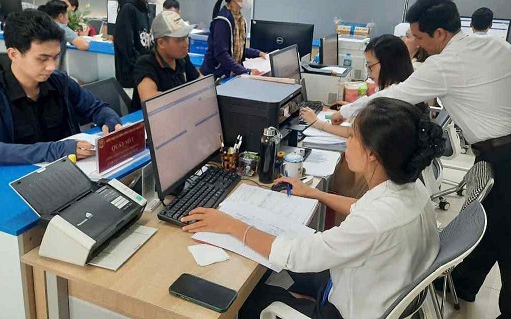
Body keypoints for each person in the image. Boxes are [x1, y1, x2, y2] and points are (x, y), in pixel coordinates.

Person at [333, 0, 511, 319]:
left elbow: (396, 95)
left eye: (419, 36)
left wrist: (346, 112)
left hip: (506, 155)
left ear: (440, 34)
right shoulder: (496, 46)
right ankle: (465, 284)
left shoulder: (446, 64)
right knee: (494, 221)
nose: (416, 43)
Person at [181, 98, 443, 318]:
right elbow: (362, 208)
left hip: (345, 310)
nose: (346, 142)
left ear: (373, 154)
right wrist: (313, 193)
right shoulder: (411, 188)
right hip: (369, 284)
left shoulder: (374, 224)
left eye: (352, 136)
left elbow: (295, 254)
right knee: (274, 265)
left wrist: (230, 225)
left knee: (241, 298)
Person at [0, 10, 122, 166]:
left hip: (71, 172)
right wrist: (55, 150)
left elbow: (96, 108)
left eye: (56, 57)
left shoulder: (60, 83)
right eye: (42, 59)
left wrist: (110, 120)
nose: (51, 67)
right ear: (13, 54)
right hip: (18, 178)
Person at [301, 34, 421, 203]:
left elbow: (352, 132)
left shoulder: (392, 103)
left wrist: (317, 123)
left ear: (388, 64)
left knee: (337, 168)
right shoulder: (403, 89)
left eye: (370, 66)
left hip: (384, 176)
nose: (369, 73)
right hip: (399, 174)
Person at [200, 0, 266, 78]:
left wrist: (258, 53)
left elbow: (237, 49)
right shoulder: (223, 21)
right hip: (216, 76)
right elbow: (221, 54)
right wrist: (245, 71)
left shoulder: (240, 19)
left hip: (230, 74)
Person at [132, 10, 201, 108]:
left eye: (186, 38)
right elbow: (149, 99)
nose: (186, 44)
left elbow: (200, 82)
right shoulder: (145, 64)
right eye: (180, 40)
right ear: (161, 43)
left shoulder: (182, 58)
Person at [114, 0, 159, 90]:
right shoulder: (128, 9)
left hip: (146, 71)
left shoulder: (148, 10)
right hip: (131, 75)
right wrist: (143, 65)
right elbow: (126, 46)